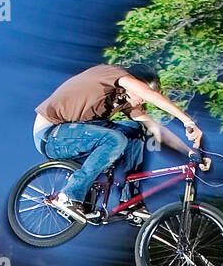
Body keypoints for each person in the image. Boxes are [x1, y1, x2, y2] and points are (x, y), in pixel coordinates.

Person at [32, 64, 208, 223]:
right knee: (115, 139)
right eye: (141, 95)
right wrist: (188, 122)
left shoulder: (125, 101)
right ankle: (69, 195)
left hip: (77, 132)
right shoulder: (112, 74)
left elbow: (156, 129)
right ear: (134, 84)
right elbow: (150, 94)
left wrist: (190, 153)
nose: (142, 101)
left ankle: (130, 201)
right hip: (51, 133)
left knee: (137, 129)